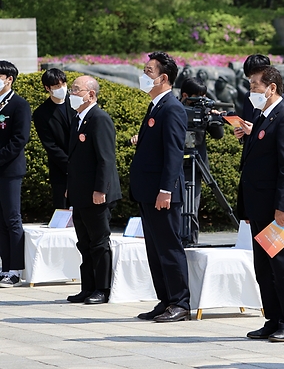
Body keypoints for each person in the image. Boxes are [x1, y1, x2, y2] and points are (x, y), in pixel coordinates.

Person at [237, 66, 284, 342]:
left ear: (271, 88)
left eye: (255, 85)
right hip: (258, 206)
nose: (251, 90)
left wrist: (282, 207)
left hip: (277, 209)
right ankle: (273, 318)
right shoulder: (264, 117)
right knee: (264, 267)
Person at [129, 52, 191, 322]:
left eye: (148, 71)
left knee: (168, 247)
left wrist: (166, 190)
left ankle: (180, 302)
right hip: (148, 191)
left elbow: (174, 153)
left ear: (163, 78)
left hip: (162, 193)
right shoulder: (155, 106)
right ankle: (165, 299)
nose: (144, 76)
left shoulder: (172, 108)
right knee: (154, 250)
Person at [65, 76, 122, 305]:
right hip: (80, 193)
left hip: (97, 194)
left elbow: (105, 159)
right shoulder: (78, 119)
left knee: (99, 242)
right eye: (72, 89)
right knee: (84, 243)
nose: (72, 93)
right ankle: (87, 287)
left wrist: (101, 189)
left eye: (76, 89)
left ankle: (102, 288)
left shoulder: (99, 118)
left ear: (91, 94)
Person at [178, 77, 225, 245]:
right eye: (198, 97)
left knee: (192, 208)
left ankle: (191, 240)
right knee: (177, 208)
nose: (202, 101)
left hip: (196, 164)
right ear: (185, 95)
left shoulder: (205, 110)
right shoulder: (174, 109)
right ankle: (177, 241)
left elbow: (218, 135)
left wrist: (214, 120)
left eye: (204, 97)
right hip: (176, 165)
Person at [0, 61, 31, 288]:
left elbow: (19, 139)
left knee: (12, 219)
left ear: (9, 79)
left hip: (9, 169)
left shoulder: (19, 105)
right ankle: (4, 267)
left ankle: (15, 270)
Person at [32, 68, 75, 210]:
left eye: (63, 84)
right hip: (60, 169)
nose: (61, 89)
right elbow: (50, 145)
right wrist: (69, 164)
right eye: (56, 86)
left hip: (84, 165)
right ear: (47, 88)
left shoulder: (76, 103)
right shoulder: (41, 113)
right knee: (63, 209)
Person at [234, 54, 284, 142]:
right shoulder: (248, 97)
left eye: (255, 76)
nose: (251, 81)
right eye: (249, 78)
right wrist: (242, 134)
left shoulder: (281, 101)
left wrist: (254, 131)